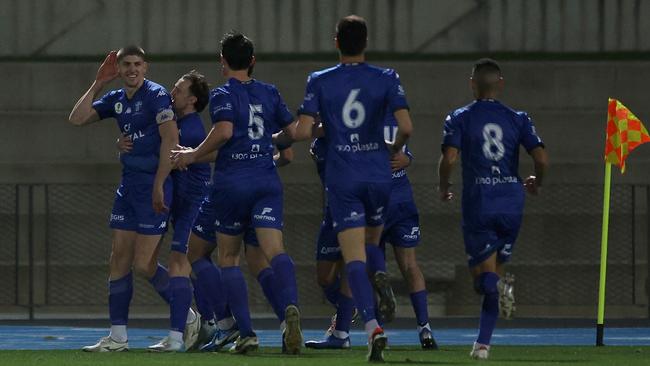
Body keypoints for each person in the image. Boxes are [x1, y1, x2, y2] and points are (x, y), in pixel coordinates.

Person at [287, 15, 413, 362]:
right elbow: (406, 126)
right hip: (378, 175)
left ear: (336, 42)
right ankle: (376, 285)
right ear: (366, 42)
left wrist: (294, 134)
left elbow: (301, 131)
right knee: (372, 244)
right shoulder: (387, 78)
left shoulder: (321, 80)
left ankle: (371, 326)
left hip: (344, 177)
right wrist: (394, 148)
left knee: (352, 257)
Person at [171, 31, 302, 355]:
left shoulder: (222, 94)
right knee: (269, 254)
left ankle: (241, 331)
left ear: (223, 62)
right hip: (266, 181)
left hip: (232, 185)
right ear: (253, 61)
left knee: (216, 255)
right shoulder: (269, 92)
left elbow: (225, 132)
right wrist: (279, 152)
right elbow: (292, 133)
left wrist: (191, 154)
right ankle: (289, 312)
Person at [68, 46, 180, 352]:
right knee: (118, 259)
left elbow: (171, 139)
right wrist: (98, 83)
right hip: (128, 188)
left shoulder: (157, 96)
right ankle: (118, 337)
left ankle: (190, 315)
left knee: (144, 265)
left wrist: (160, 183)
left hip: (152, 187)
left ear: (146, 67)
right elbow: (76, 119)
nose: (132, 69)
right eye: (126, 65)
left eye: (137, 64)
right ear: (119, 68)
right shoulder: (116, 99)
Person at [438, 58, 548, 360]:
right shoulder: (518, 118)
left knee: (483, 280)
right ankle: (483, 346)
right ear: (500, 84)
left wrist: (443, 185)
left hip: (480, 200)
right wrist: (537, 182)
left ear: (472, 83)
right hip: (512, 200)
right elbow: (541, 159)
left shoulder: (460, 117)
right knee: (492, 275)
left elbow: (449, 159)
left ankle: (498, 287)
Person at [117, 70, 213, 351]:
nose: (173, 93)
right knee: (147, 264)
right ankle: (203, 320)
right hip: (177, 205)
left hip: (193, 206)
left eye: (179, 90)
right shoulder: (175, 122)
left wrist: (155, 177)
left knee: (178, 264)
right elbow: (146, 143)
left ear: (192, 100)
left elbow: (167, 156)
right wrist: (120, 144)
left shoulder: (191, 128)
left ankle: (178, 336)